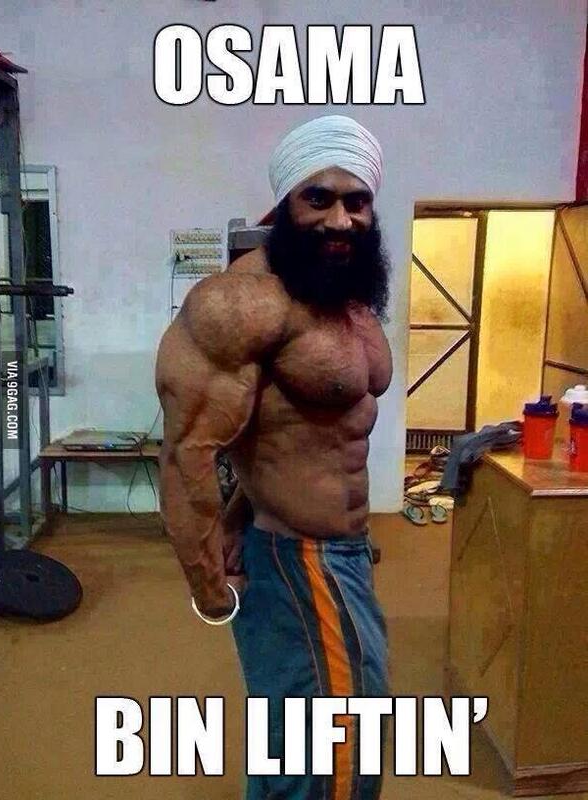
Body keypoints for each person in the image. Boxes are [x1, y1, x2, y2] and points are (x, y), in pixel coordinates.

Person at [156, 115, 393, 799]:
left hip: (341, 556)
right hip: (301, 563)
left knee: (297, 747)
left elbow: (283, 431)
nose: (341, 219)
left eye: (357, 201)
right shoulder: (239, 304)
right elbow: (188, 454)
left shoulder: (346, 294)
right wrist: (209, 587)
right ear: (286, 203)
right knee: (336, 756)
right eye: (319, 198)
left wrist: (239, 511)